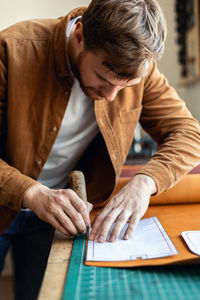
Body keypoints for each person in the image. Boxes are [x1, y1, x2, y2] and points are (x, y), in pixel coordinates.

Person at [0, 0, 200, 298]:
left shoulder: (140, 71)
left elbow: (188, 133)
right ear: (79, 35)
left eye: (126, 85)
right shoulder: (11, 50)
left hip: (59, 217)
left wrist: (145, 183)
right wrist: (30, 192)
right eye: (104, 80)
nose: (111, 96)